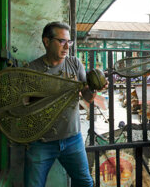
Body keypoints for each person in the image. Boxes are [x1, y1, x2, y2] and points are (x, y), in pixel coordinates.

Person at [24, 22, 105, 187]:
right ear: (46, 41)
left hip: (72, 139)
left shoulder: (74, 64)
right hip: (41, 142)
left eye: (69, 42)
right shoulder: (32, 70)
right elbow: (23, 105)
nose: (67, 46)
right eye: (61, 41)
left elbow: (87, 97)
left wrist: (94, 88)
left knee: (85, 183)